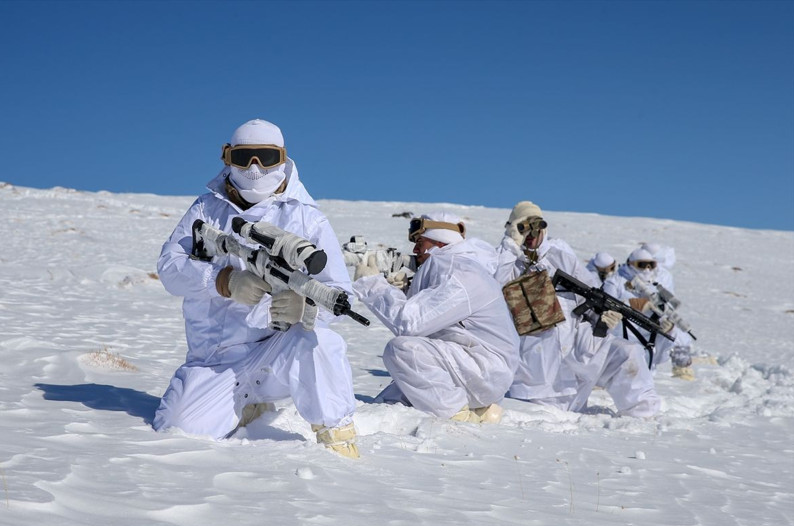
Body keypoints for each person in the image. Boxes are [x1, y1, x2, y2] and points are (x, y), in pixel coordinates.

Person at [152, 119, 359, 458]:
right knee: (177, 432)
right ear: (227, 157)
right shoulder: (206, 209)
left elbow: (336, 289)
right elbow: (169, 268)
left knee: (319, 342)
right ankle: (249, 410)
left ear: (283, 159)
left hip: (275, 353)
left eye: (266, 157)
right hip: (215, 362)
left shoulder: (307, 219)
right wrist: (222, 281)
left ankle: (338, 436)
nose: (254, 167)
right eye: (244, 157)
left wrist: (303, 307)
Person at [495, 201, 661, 417]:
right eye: (524, 227)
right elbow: (493, 288)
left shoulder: (561, 258)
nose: (532, 233)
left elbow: (591, 294)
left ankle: (644, 419)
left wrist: (603, 318)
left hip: (576, 351)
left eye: (537, 226)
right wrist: (511, 245)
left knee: (627, 353)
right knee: (549, 418)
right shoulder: (502, 261)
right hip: (535, 368)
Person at [352, 212, 519, 423]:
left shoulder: (457, 269)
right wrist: (404, 291)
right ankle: (482, 412)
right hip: (463, 367)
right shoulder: (456, 266)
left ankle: (460, 417)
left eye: (419, 242)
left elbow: (410, 324)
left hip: (483, 370)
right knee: (385, 408)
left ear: (440, 242)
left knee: (401, 350)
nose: (414, 250)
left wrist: (372, 285)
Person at [603, 248, 695, 380]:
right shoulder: (616, 281)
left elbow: (666, 309)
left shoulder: (656, 284)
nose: (646, 269)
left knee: (677, 333)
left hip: (647, 337)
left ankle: (682, 370)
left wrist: (668, 326)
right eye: (641, 265)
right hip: (621, 334)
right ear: (631, 264)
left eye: (651, 265)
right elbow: (607, 306)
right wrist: (635, 303)